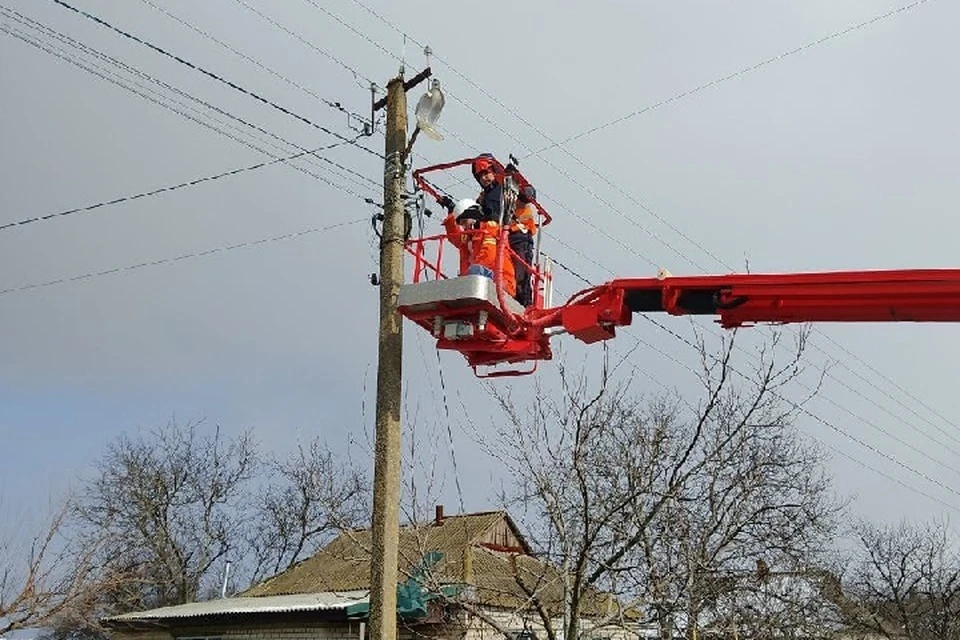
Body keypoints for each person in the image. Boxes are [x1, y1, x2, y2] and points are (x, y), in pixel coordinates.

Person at [441, 197, 516, 298]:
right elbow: (455, 238)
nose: (464, 226)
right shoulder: (469, 236)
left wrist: (469, 276)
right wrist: (451, 216)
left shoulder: (490, 227)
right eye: (461, 224)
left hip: (502, 280)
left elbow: (488, 255)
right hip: (480, 277)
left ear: (473, 214)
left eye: (465, 221)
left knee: (475, 270)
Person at [508, 184, 538, 306]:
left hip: (521, 241)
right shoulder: (511, 205)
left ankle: (523, 302)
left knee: (521, 275)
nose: (521, 201)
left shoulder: (527, 211)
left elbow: (529, 228)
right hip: (511, 239)